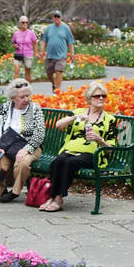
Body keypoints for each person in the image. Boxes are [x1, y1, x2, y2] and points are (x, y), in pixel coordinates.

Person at [39, 81, 114, 213]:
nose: (101, 98)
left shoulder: (109, 120)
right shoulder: (79, 113)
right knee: (58, 161)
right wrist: (75, 117)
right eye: (97, 96)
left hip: (94, 154)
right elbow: (58, 125)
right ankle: (53, 198)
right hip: (70, 150)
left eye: (103, 95)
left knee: (70, 162)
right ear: (89, 99)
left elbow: (110, 149)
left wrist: (99, 139)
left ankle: (57, 198)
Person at [0, 79, 45, 203]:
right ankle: (1, 191)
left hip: (30, 146)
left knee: (22, 163)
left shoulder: (35, 108)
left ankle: (15, 191)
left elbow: (40, 133)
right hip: (6, 147)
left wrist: (26, 149)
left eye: (28, 95)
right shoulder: (5, 108)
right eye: (22, 97)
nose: (26, 99)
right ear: (13, 97)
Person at [39, 10, 76, 94]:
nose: (56, 18)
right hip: (50, 55)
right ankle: (54, 84)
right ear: (53, 18)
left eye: (58, 16)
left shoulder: (66, 28)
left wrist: (72, 54)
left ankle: (57, 90)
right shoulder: (49, 28)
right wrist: (41, 51)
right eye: (55, 16)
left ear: (61, 17)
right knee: (48, 73)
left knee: (58, 71)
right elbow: (44, 40)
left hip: (61, 55)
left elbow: (70, 42)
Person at [12, 16, 37, 83]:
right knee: (16, 70)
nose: (25, 24)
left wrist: (36, 53)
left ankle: (28, 87)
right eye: (23, 22)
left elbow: (35, 43)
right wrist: (15, 45)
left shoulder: (31, 33)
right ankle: (16, 87)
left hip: (28, 54)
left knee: (27, 72)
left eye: (26, 22)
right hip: (18, 54)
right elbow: (13, 43)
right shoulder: (16, 33)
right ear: (20, 23)